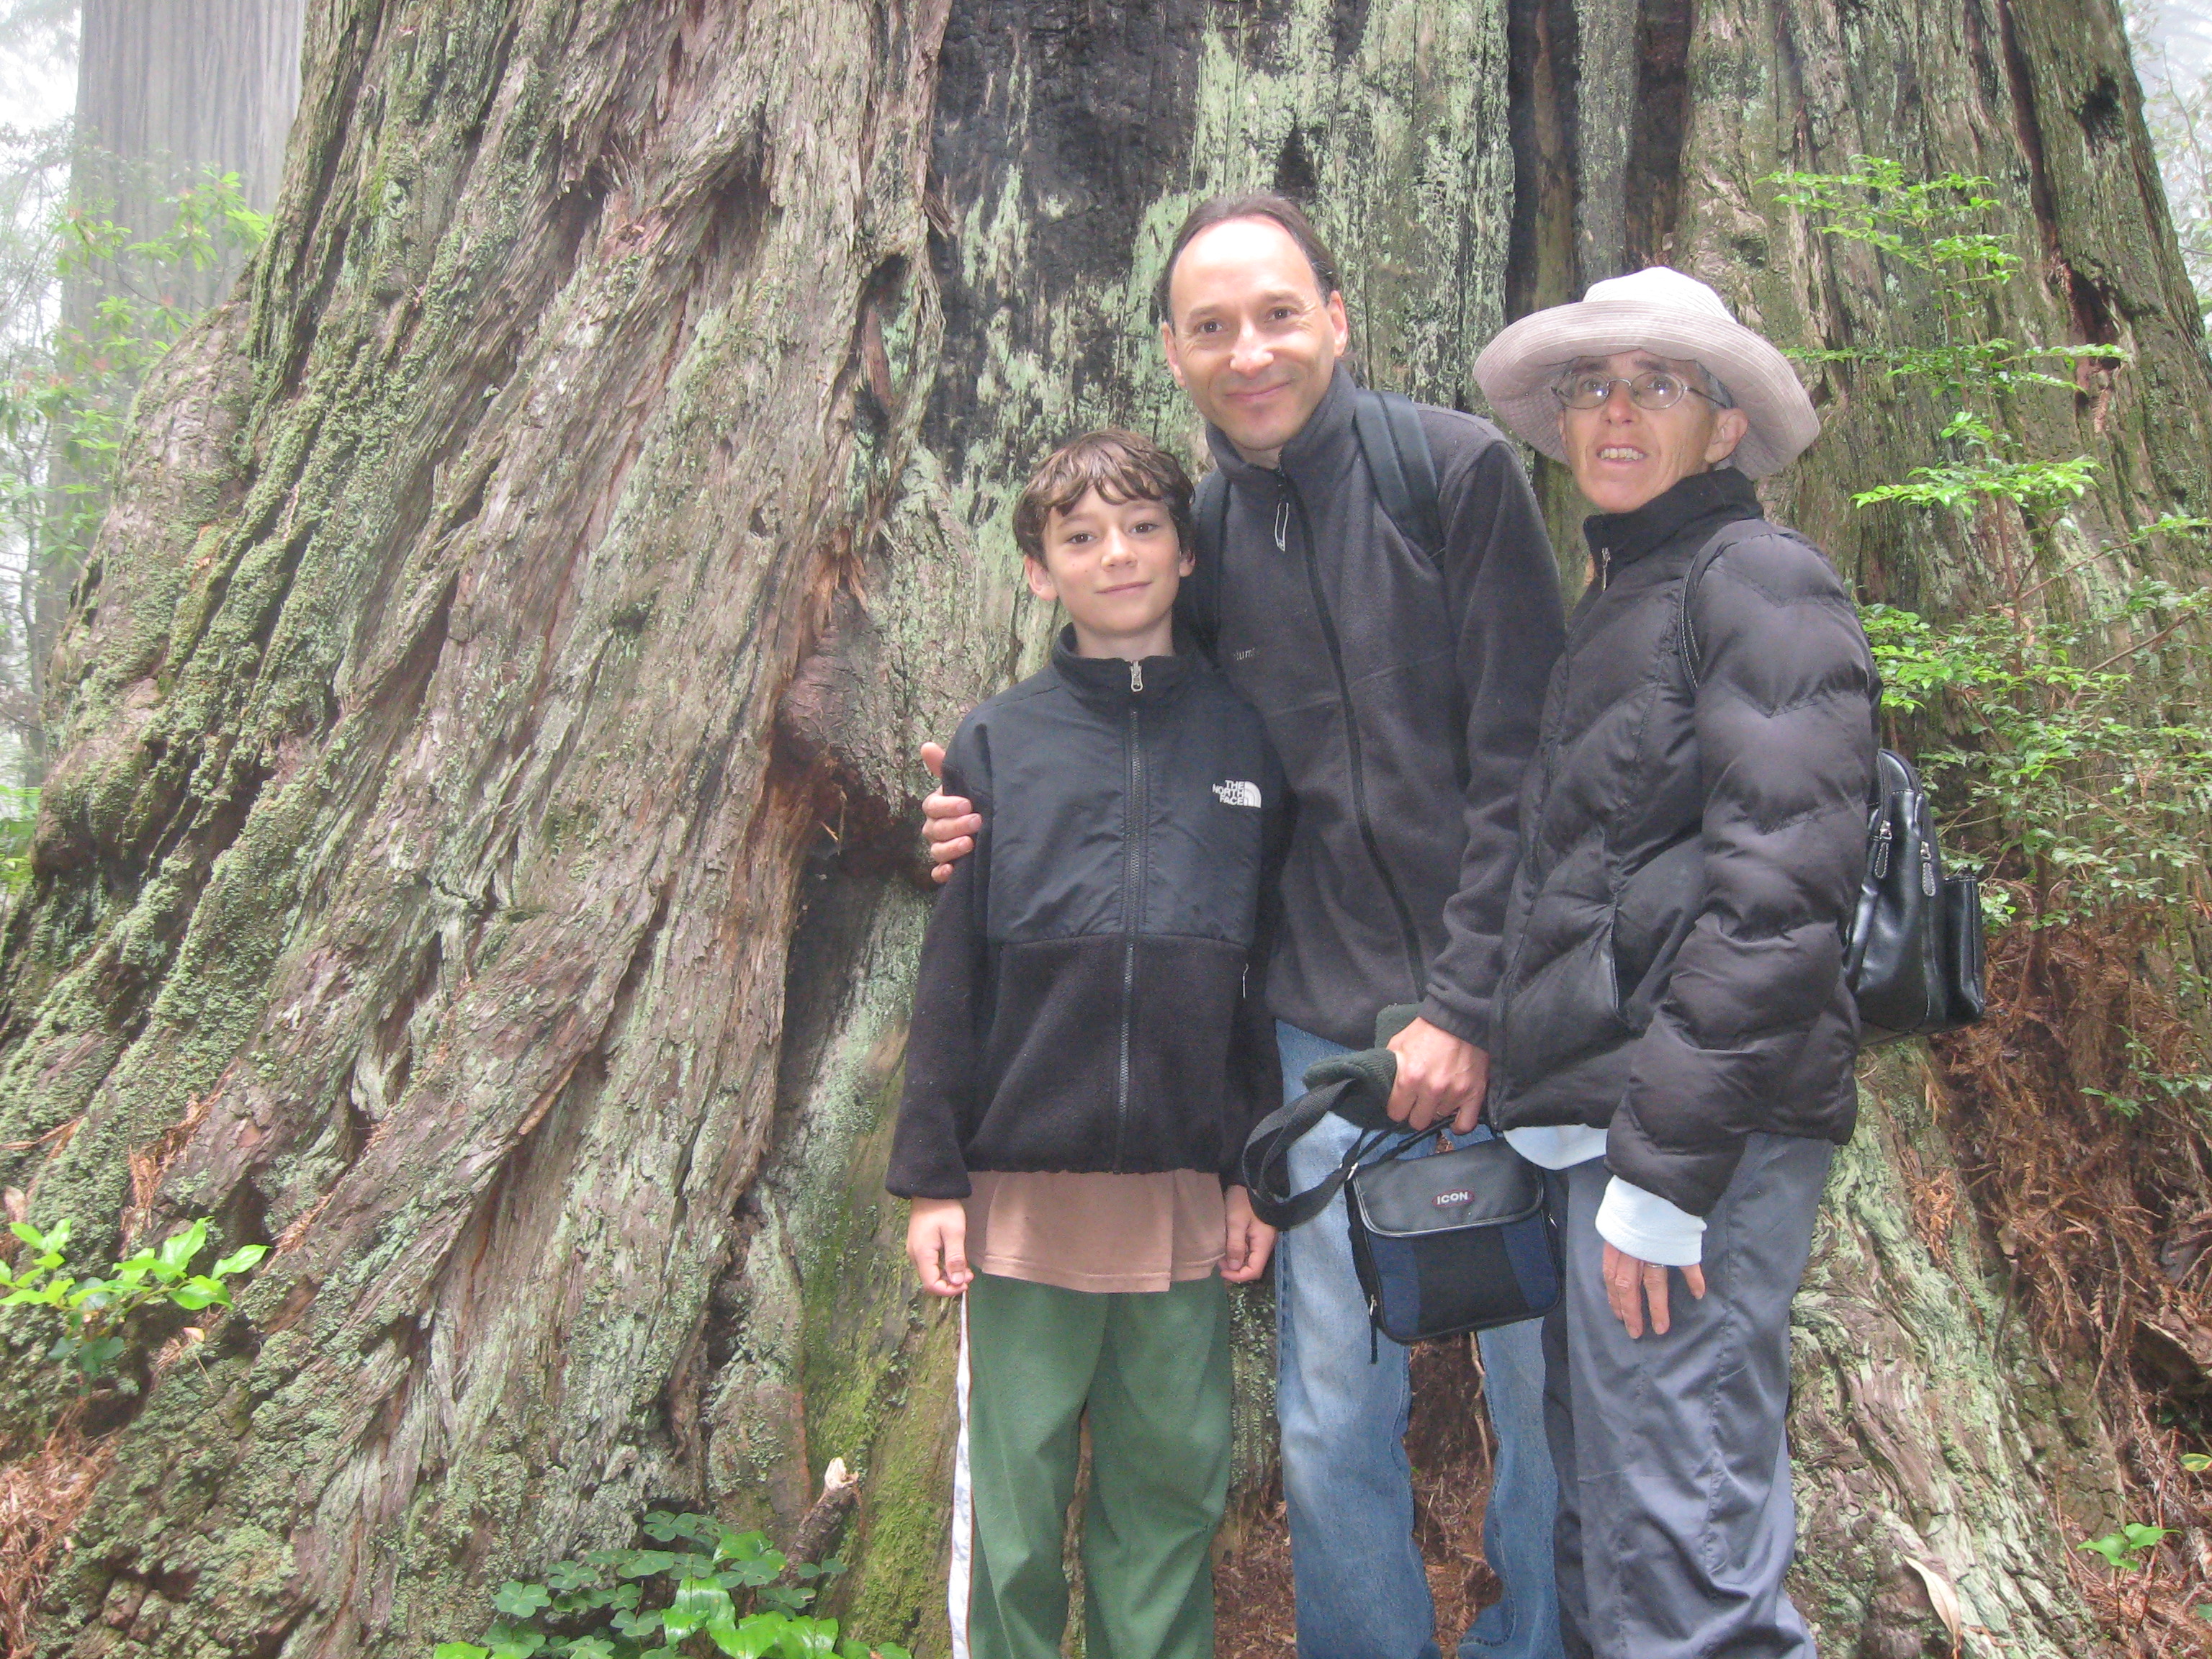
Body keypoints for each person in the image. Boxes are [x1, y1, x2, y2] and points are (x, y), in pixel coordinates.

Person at [925, 197, 1568, 1659]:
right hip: (1315, 1035)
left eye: (1278, 312)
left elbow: (1535, 760)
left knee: (1548, 1393)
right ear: (1172, 350)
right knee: (1335, 1406)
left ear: (1337, 316)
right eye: (1211, 326)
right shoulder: (1198, 539)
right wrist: (978, 812)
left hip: (1517, 1021)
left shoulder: (1453, 475)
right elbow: (1126, 745)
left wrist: (1467, 1006)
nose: (1250, 349)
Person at [1469, 266, 1877, 1658]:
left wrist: (1662, 1179)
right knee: (1610, 1532)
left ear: (1724, 430)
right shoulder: (1631, 594)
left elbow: (1782, 896)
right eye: (1593, 386)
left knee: (1686, 1554)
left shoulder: (1756, 578)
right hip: (1613, 1135)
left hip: (1699, 1145)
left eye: (1662, 383)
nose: (1619, 410)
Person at [889, 428, 1285, 1659]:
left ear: (1185, 549)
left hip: (1180, 1198)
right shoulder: (998, 744)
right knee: (1013, 1520)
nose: (1117, 554)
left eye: (1143, 526)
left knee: (1168, 1497)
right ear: (1037, 570)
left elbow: (1261, 977)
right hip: (1019, 1205)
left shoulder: (1242, 741)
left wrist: (1249, 1171)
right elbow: (952, 975)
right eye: (1080, 536)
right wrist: (931, 1180)